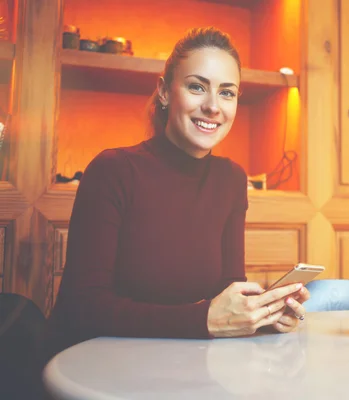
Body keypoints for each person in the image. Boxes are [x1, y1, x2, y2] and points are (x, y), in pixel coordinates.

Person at [43, 27, 311, 360]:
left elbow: (224, 294)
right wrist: (204, 320)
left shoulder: (231, 179)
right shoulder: (112, 170)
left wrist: (260, 316)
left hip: (182, 366)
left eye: (227, 93)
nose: (213, 106)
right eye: (197, 87)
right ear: (165, 92)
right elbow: (82, 309)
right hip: (94, 367)